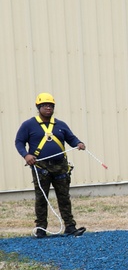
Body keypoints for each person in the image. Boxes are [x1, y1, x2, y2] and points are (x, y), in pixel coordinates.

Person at [14, 92, 87, 237]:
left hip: (60, 165)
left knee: (64, 197)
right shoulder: (28, 125)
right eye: (45, 105)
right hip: (40, 167)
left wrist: (78, 143)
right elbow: (19, 142)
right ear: (38, 107)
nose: (48, 108)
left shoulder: (60, 125)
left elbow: (71, 138)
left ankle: (70, 226)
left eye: (50, 105)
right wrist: (26, 155)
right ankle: (41, 228)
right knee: (41, 197)